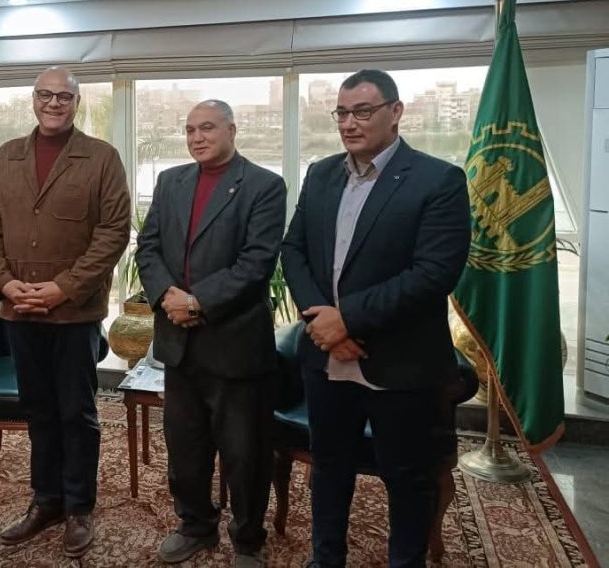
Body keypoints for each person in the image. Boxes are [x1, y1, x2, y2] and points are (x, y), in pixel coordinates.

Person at [280, 69, 471, 568]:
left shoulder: (439, 180)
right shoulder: (321, 174)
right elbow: (294, 250)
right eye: (342, 113)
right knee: (329, 468)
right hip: (327, 358)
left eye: (363, 111)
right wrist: (323, 325)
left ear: (396, 112)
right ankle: (326, 559)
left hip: (400, 363)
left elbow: (433, 274)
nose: (350, 123)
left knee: (407, 478)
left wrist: (348, 320)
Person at [0, 66, 130, 559]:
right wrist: (5, 283)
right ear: (33, 99)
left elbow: (114, 232)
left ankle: (79, 507)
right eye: (45, 95)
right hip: (19, 309)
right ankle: (46, 500)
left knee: (77, 412)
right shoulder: (8, 154)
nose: (54, 103)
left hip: (74, 314)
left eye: (64, 96)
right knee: (38, 410)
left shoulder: (102, 157)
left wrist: (62, 289)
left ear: (77, 103)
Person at [136, 100, 286, 568]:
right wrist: (167, 297)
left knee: (245, 453)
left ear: (232, 130)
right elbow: (148, 247)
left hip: (235, 344)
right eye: (189, 130)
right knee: (185, 447)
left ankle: (247, 540)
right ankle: (195, 525)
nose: (197, 138)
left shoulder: (264, 185)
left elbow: (256, 264)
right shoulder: (170, 181)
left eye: (207, 128)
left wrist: (197, 302)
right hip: (178, 343)